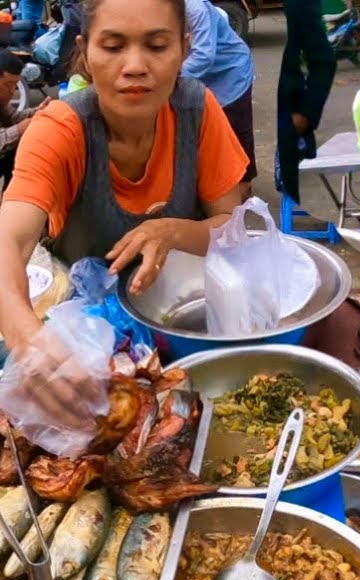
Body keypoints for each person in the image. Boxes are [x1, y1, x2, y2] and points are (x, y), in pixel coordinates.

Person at [0, 0, 247, 421]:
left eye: (157, 45)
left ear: (185, 49)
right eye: (113, 46)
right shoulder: (60, 129)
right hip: (84, 343)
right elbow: (10, 239)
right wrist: (28, 338)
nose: (135, 66)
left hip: (186, 327)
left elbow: (232, 229)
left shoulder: (197, 111)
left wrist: (171, 232)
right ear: (86, 51)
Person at [184, 0, 257, 198]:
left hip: (232, 73)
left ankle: (244, 186)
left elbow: (203, 56)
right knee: (204, 132)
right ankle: (212, 184)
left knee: (236, 132)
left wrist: (165, 76)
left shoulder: (194, 8)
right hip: (200, 78)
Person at [277, 0, 336, 202]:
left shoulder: (298, 5)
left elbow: (324, 61)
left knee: (294, 190)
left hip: (290, 115)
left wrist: (306, 113)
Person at [0, 51, 49, 186]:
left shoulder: (2, 101)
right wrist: (20, 129)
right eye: (7, 84)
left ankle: (11, 200)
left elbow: (13, 117)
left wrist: (37, 111)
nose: (12, 91)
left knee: (22, 150)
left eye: (14, 85)